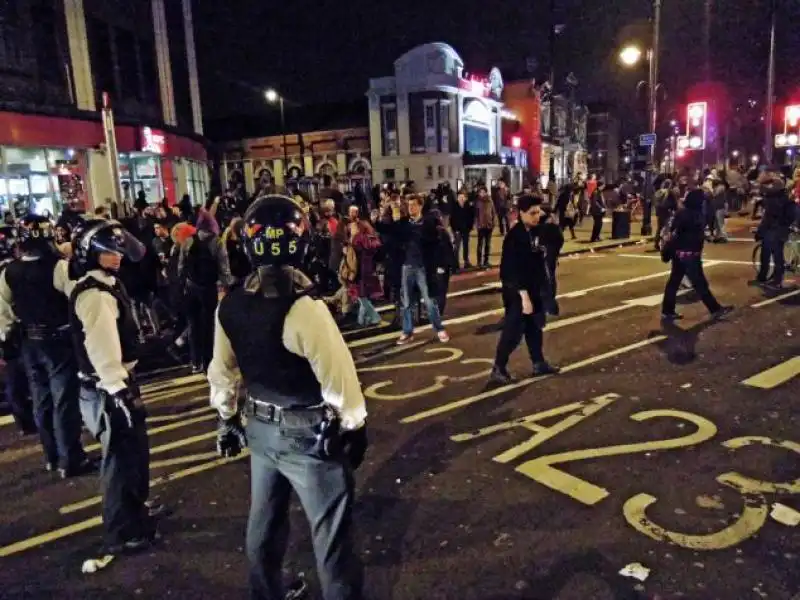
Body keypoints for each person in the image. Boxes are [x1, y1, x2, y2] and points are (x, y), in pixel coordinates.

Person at [207, 194, 368, 600]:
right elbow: (338, 374)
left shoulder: (230, 306)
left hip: (259, 427)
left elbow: (222, 371)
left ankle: (266, 593)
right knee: (331, 536)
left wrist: (226, 416)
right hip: (306, 433)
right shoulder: (305, 309)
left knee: (265, 521)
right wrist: (354, 422)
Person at [68, 218, 160, 567]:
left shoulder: (104, 285)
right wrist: (119, 393)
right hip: (107, 387)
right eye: (108, 251)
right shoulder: (95, 296)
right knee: (120, 461)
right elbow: (102, 349)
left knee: (132, 455)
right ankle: (124, 531)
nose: (116, 256)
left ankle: (134, 514)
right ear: (92, 253)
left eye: (117, 250)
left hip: (110, 385)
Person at [0, 214, 89, 477]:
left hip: (29, 341)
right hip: (58, 339)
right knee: (64, 401)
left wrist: (7, 337)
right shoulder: (58, 267)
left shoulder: (9, 272)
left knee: (41, 400)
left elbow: (3, 311)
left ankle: (52, 455)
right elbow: (76, 298)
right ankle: (70, 458)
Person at [490, 195, 560, 384]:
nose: (537, 216)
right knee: (513, 332)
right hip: (517, 291)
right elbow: (511, 270)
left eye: (538, 212)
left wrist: (549, 219)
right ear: (521, 213)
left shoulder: (537, 230)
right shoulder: (515, 237)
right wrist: (523, 297)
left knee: (534, 328)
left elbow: (556, 239)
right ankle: (499, 367)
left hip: (534, 288)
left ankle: (538, 363)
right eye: (532, 213)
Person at [661, 190, 733, 321]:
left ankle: (667, 310)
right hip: (690, 253)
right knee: (699, 283)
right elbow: (694, 232)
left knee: (674, 281)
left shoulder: (682, 213)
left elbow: (675, 230)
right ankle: (715, 309)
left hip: (679, 252)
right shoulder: (695, 214)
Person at [0, 225, 34, 435]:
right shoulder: (11, 270)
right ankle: (27, 419)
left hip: (9, 331)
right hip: (16, 330)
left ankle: (25, 421)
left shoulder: (11, 269)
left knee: (15, 380)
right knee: (23, 378)